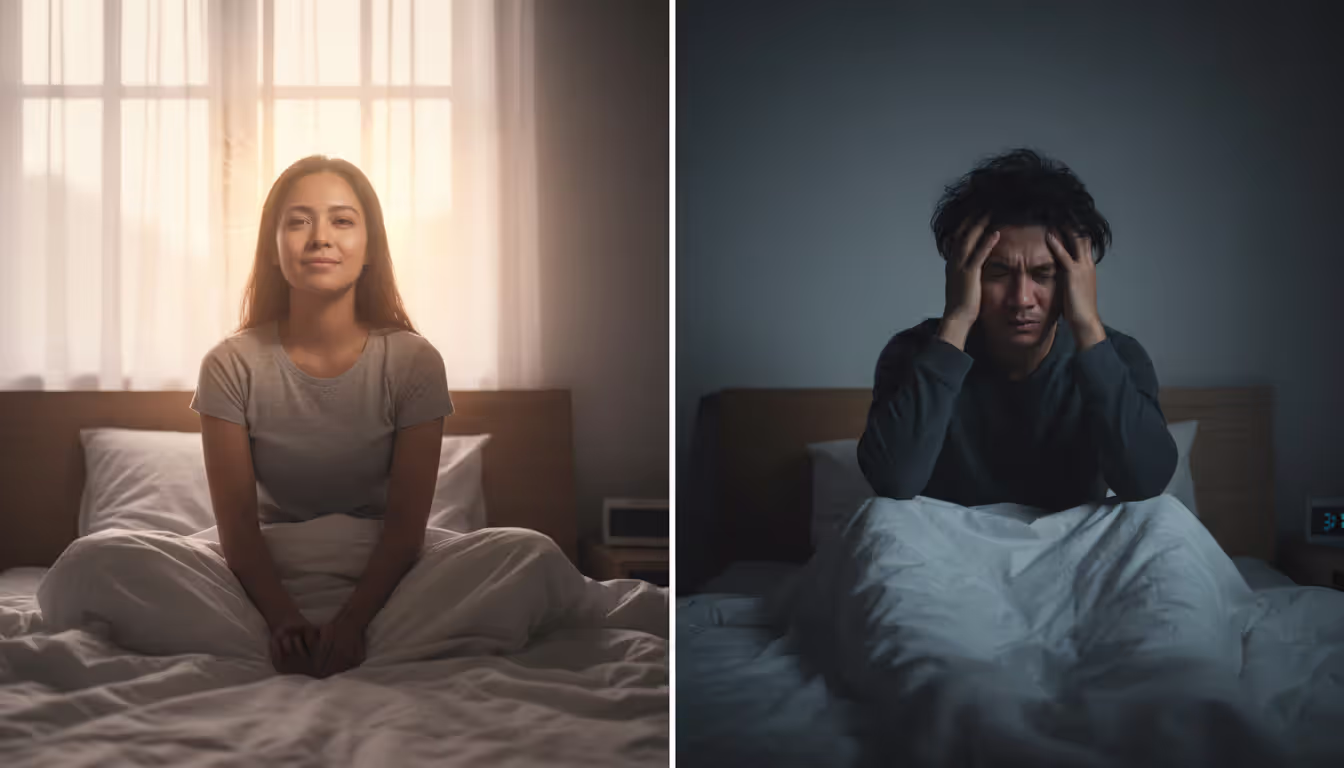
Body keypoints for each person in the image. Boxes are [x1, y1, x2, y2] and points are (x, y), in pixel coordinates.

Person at [856, 148, 1178, 514]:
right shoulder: (913, 352)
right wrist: (958, 317)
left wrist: (1087, 325)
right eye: (996, 274)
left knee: (1165, 519)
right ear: (964, 274)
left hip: (1072, 553)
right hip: (946, 555)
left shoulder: (1118, 356)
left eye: (1044, 275)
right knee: (878, 518)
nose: (1021, 299)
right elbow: (893, 481)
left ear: (1077, 279)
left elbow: (1146, 484)